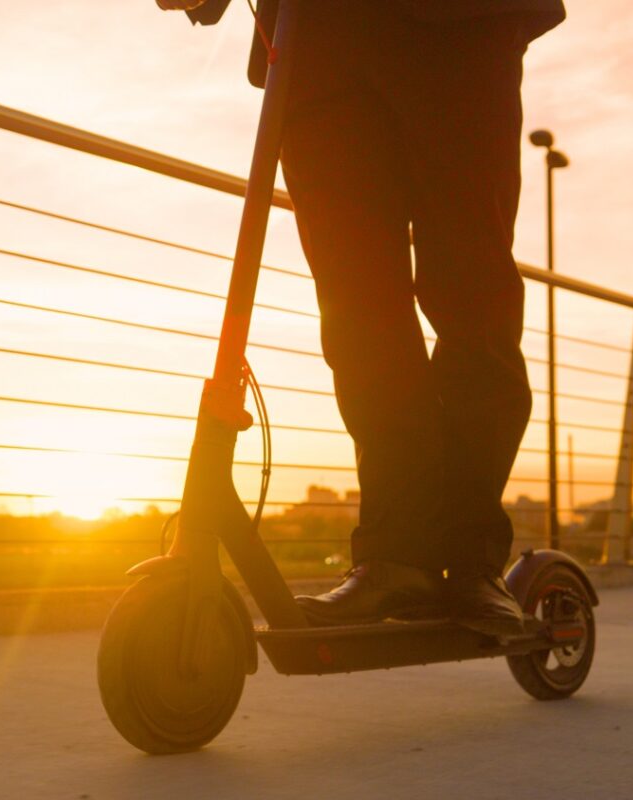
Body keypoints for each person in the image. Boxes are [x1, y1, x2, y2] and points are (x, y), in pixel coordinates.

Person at [156, 0, 566, 636]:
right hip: (316, 40)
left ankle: (469, 560)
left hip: (462, 31)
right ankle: (396, 556)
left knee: (473, 296)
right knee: (357, 314)